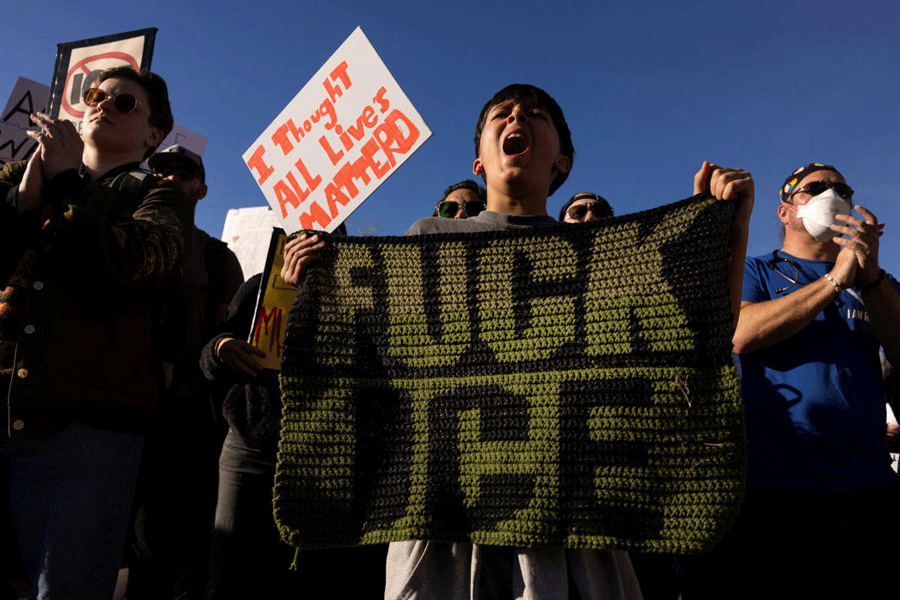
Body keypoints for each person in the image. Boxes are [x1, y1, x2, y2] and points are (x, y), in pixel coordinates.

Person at [281, 83, 754, 600]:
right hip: (443, 526)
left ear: (562, 163)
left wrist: (732, 229)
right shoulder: (427, 239)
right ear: (479, 162)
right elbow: (364, 365)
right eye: (501, 115)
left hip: (572, 531)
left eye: (536, 116)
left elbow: (700, 337)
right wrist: (309, 290)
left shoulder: (603, 257)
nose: (517, 120)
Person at [0, 67, 191, 600]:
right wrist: (22, 202)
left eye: (124, 103)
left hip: (84, 431)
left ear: (154, 135)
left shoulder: (161, 197)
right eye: (95, 95)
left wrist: (65, 185)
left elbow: (135, 262)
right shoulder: (19, 174)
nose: (102, 104)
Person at [681, 163, 900, 599]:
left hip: (867, 486)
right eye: (816, 188)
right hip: (774, 487)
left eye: (842, 187)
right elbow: (740, 333)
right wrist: (836, 279)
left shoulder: (879, 283)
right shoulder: (759, 271)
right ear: (785, 211)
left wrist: (869, 276)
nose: (832, 194)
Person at [126, 145, 244, 599]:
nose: (171, 177)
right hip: (112, 411)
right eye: (161, 169)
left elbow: (225, 337)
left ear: (202, 188)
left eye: (184, 171)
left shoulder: (218, 259)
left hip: (182, 419)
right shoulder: (118, 238)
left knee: (164, 547)